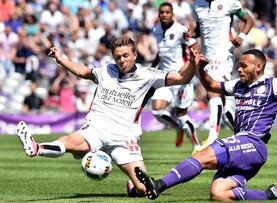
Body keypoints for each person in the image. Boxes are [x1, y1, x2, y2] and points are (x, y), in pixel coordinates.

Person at [134, 49, 277, 201]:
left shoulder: (274, 85)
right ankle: (269, 194)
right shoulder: (238, 85)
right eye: (238, 66)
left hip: (253, 143)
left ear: (259, 67)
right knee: (218, 193)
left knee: (202, 156)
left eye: (243, 66)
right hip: (243, 149)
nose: (239, 69)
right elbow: (211, 84)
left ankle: (159, 185)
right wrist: (198, 67)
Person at [16, 36, 205, 197]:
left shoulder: (148, 75)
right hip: (96, 128)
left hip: (123, 138)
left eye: (125, 56)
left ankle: (133, 186)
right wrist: (60, 59)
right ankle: (36, 147)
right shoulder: (106, 71)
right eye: (118, 57)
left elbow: (182, 78)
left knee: (144, 189)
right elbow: (83, 71)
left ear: (134, 55)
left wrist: (192, 63)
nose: (122, 60)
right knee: (70, 143)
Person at [192, 0, 254, 147]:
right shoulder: (198, 5)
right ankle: (245, 135)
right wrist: (191, 34)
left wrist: (241, 37)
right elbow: (200, 29)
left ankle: (212, 138)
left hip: (224, 53)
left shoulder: (230, 2)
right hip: (207, 54)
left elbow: (249, 20)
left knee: (212, 91)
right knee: (223, 106)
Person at [150, 2, 201, 152]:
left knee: (182, 114)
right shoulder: (156, 29)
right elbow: (161, 53)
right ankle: (178, 127)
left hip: (181, 77)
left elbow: (194, 49)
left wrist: (188, 69)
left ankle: (197, 147)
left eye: (167, 12)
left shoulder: (180, 29)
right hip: (165, 77)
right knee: (157, 111)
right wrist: (151, 69)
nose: (164, 15)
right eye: (162, 12)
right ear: (159, 14)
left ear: (172, 14)